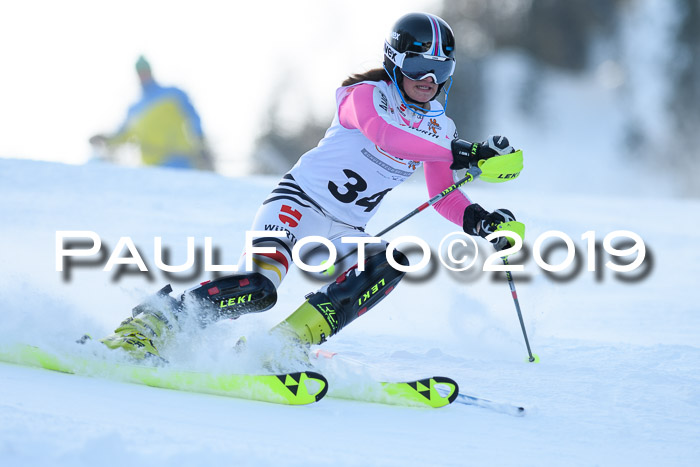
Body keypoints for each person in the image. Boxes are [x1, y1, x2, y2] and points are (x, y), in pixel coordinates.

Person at [100, 13, 521, 362]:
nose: (428, 79)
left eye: (440, 70)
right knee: (259, 290)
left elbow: (441, 194)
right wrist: (466, 151)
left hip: (344, 233)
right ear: (395, 63)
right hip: (295, 208)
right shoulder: (364, 95)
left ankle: (280, 348)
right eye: (417, 67)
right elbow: (384, 136)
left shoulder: (439, 129)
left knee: (390, 262)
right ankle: (152, 325)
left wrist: (483, 222)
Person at [89, 56, 214, 171]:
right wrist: (106, 140)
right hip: (151, 169)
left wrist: (200, 140)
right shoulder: (134, 109)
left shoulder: (173, 94)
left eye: (145, 71)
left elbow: (193, 117)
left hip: (179, 160)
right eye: (140, 72)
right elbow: (123, 135)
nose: (143, 75)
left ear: (151, 71)